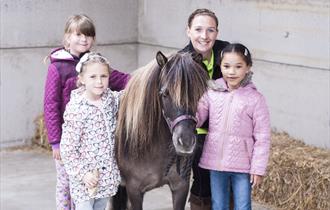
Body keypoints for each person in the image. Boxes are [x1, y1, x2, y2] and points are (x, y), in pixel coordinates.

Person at [43, 14, 129, 210]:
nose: (84, 39)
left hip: (93, 141)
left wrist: (143, 81)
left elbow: (120, 79)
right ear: (67, 38)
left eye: (89, 35)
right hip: (69, 140)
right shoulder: (58, 67)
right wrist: (55, 142)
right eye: (79, 34)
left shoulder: (95, 64)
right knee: (67, 182)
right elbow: (51, 105)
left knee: (93, 187)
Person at [196, 43, 271, 210]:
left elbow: (263, 137)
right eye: (226, 66)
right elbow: (197, 118)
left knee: (243, 206)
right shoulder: (211, 93)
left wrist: (258, 168)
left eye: (238, 66)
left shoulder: (256, 99)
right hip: (215, 163)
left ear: (248, 67)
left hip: (242, 167)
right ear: (220, 66)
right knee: (218, 205)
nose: (231, 72)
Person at [179, 8, 229, 210]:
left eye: (210, 30)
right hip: (197, 130)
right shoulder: (182, 61)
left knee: (229, 178)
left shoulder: (227, 52)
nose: (204, 36)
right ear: (188, 31)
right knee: (203, 180)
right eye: (198, 29)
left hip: (226, 128)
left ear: (217, 33)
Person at [60, 52, 121, 210]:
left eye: (103, 76)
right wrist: (83, 174)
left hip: (106, 178)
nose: (99, 82)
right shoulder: (76, 109)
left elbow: (129, 96)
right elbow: (67, 149)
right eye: (93, 77)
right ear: (81, 79)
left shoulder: (110, 99)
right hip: (85, 181)